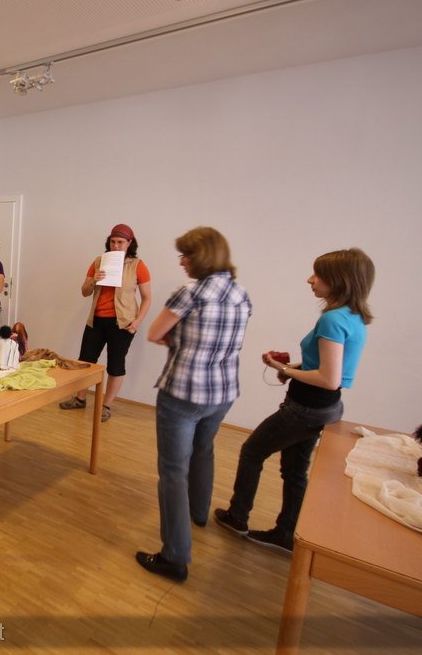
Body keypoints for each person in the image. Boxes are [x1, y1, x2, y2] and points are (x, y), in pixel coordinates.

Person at [214, 248, 374, 554]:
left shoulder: (332, 319)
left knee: (252, 452)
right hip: (324, 407)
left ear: (338, 280)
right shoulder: (353, 317)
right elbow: (329, 370)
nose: (309, 280)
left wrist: (286, 370)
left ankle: (237, 516)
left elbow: (329, 377)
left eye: (318, 275)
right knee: (294, 471)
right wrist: (289, 368)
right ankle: (286, 534)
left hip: (306, 408)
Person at [136, 227, 251, 582]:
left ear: (201, 257)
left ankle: (174, 557)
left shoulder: (190, 293)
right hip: (223, 392)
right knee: (204, 450)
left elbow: (154, 333)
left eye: (186, 255)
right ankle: (199, 513)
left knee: (173, 471)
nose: (182, 261)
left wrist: (182, 342)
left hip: (183, 393)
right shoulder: (241, 294)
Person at [58, 223, 151, 422]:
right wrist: (93, 280)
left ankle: (106, 405)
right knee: (85, 361)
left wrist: (137, 322)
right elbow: (84, 292)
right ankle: (80, 399)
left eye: (120, 242)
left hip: (123, 324)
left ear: (129, 243)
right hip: (96, 321)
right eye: (113, 242)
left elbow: (147, 298)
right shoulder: (99, 261)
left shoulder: (138, 266)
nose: (116, 246)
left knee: (115, 366)